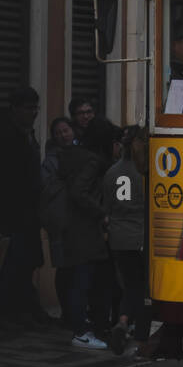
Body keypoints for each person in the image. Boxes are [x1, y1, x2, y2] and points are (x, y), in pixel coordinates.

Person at [57, 117, 118, 349]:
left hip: (74, 227)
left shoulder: (73, 155)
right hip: (85, 228)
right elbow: (78, 191)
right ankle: (81, 331)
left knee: (80, 279)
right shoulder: (92, 161)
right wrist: (102, 213)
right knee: (83, 280)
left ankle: (83, 327)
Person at [0, 87, 49, 329]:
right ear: (15, 109)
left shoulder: (27, 134)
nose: (34, 113)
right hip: (10, 214)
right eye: (29, 108)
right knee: (10, 265)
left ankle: (25, 310)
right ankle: (8, 313)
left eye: (36, 108)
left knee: (26, 263)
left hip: (28, 213)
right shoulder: (4, 136)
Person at [103, 126, 151, 355]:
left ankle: (122, 321)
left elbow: (107, 206)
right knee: (143, 290)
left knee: (129, 285)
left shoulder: (112, 172)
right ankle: (140, 337)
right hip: (140, 237)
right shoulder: (145, 173)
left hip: (118, 238)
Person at [39, 117, 76, 326]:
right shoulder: (50, 162)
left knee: (77, 269)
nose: (63, 135)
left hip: (78, 223)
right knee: (64, 269)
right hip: (59, 221)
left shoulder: (82, 155)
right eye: (58, 132)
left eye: (66, 130)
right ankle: (66, 314)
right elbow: (45, 189)